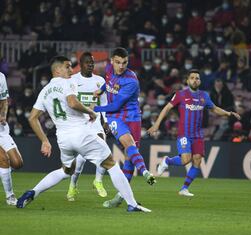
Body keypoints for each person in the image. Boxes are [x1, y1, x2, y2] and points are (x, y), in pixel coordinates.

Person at [16, 56, 150, 212]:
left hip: (63, 139)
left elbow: (32, 118)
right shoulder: (68, 82)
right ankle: (132, 204)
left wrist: (44, 140)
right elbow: (73, 102)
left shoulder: (44, 91)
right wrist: (90, 112)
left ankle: (33, 192)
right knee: (111, 165)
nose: (71, 70)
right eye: (67, 67)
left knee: (66, 171)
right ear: (57, 69)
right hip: (81, 133)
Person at [147, 69, 240, 197]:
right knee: (186, 160)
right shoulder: (180, 94)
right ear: (187, 80)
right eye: (192, 78)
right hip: (184, 134)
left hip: (198, 135)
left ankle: (184, 188)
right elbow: (167, 108)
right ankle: (167, 161)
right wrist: (156, 124)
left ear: (200, 81)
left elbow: (214, 109)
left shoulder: (204, 96)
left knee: (197, 160)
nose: (195, 80)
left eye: (197, 78)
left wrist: (229, 113)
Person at [91, 48, 156, 208]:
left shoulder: (131, 81)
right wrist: (101, 90)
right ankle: (145, 172)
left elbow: (116, 104)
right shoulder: (108, 69)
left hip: (132, 117)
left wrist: (95, 109)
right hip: (116, 117)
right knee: (129, 145)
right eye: (118, 62)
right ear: (112, 61)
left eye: (125, 63)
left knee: (129, 158)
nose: (121, 66)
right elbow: (109, 83)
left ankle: (120, 198)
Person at [66, 52, 110, 201]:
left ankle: (98, 181)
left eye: (92, 62)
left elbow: (104, 103)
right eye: (87, 62)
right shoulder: (73, 80)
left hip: (95, 121)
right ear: (81, 64)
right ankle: (73, 185)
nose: (90, 65)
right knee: (80, 159)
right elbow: (69, 102)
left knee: (104, 149)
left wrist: (106, 121)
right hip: (79, 123)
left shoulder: (100, 81)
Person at [0, 72, 24, 205]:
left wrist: (3, 115)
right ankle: (10, 196)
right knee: (3, 160)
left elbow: (4, 101)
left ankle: (2, 172)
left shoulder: (1, 77)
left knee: (17, 163)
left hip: (1, 129)